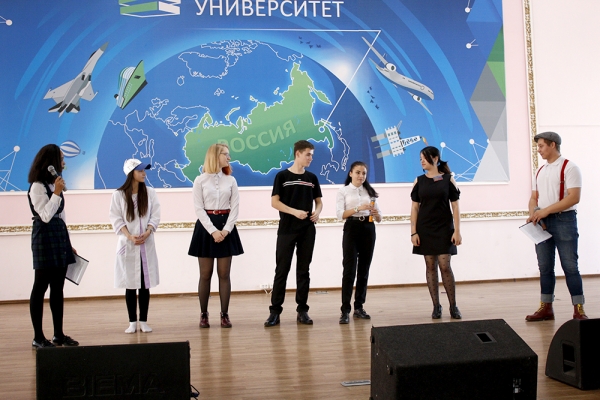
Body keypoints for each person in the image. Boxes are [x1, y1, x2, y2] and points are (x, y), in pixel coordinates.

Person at [526, 131, 587, 321]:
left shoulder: (570, 167)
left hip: (564, 220)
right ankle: (546, 307)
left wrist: (545, 211)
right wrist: (534, 214)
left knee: (570, 266)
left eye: (541, 146)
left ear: (553, 145)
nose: (538, 150)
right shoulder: (540, 171)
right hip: (542, 222)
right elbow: (534, 197)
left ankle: (579, 309)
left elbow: (574, 197)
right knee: (544, 267)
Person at [264, 140, 323, 327]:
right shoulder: (282, 176)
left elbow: (319, 201)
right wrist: (294, 212)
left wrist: (317, 212)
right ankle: (275, 312)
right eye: (308, 154)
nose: (311, 158)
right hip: (287, 229)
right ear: (298, 154)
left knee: (303, 270)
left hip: (307, 230)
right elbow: (275, 202)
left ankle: (302, 310)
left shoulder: (312, 178)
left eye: (312, 155)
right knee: (282, 270)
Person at [27, 144, 79, 348]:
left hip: (59, 237)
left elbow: (61, 217)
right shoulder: (37, 187)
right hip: (44, 237)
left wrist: (68, 243)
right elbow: (46, 216)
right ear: (51, 162)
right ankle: (38, 337)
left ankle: (59, 334)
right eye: (61, 159)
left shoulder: (54, 185)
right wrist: (56, 192)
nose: (64, 163)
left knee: (58, 287)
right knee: (40, 286)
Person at [188, 143, 243, 328]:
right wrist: (213, 231)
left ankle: (224, 315)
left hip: (226, 226)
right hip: (206, 228)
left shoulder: (231, 180)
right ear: (215, 156)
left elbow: (235, 208)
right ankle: (203, 314)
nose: (229, 157)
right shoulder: (200, 180)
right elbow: (198, 208)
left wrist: (226, 230)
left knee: (224, 274)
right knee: (205, 274)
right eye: (225, 154)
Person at [109, 159, 161, 334]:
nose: (144, 174)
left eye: (144, 170)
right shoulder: (118, 195)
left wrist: (148, 231)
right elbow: (116, 218)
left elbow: (155, 215)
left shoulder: (150, 193)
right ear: (131, 173)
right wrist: (129, 236)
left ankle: (144, 321)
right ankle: (132, 322)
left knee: (145, 284)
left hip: (146, 243)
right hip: (128, 244)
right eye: (140, 171)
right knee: (130, 284)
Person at [410, 146, 462, 319]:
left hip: (444, 228)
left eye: (424, 158)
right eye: (420, 159)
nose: (422, 161)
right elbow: (414, 208)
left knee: (445, 266)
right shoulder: (419, 181)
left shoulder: (448, 179)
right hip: (425, 229)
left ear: (435, 158)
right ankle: (436, 306)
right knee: (430, 266)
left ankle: (453, 306)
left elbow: (455, 206)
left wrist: (457, 231)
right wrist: (413, 232)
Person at [336, 161, 382, 324]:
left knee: (364, 270)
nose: (361, 176)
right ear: (350, 173)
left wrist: (375, 213)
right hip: (352, 228)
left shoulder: (369, 191)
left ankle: (359, 307)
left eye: (363, 173)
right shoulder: (343, 191)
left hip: (368, 228)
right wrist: (358, 208)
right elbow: (340, 214)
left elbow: (380, 218)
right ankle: (345, 310)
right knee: (349, 270)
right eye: (358, 172)